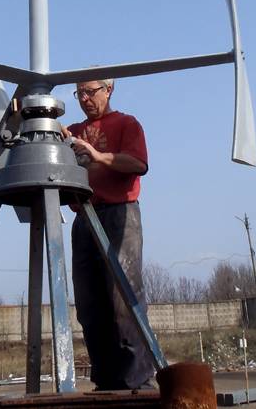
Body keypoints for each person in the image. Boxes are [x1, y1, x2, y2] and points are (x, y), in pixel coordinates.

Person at [63, 78, 156, 391]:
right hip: (84, 216)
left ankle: (137, 380)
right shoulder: (73, 131)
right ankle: (106, 381)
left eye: (90, 92)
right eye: (79, 93)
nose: (84, 99)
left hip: (119, 214)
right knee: (89, 303)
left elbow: (138, 163)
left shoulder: (126, 124)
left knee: (123, 298)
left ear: (109, 90)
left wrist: (98, 155)